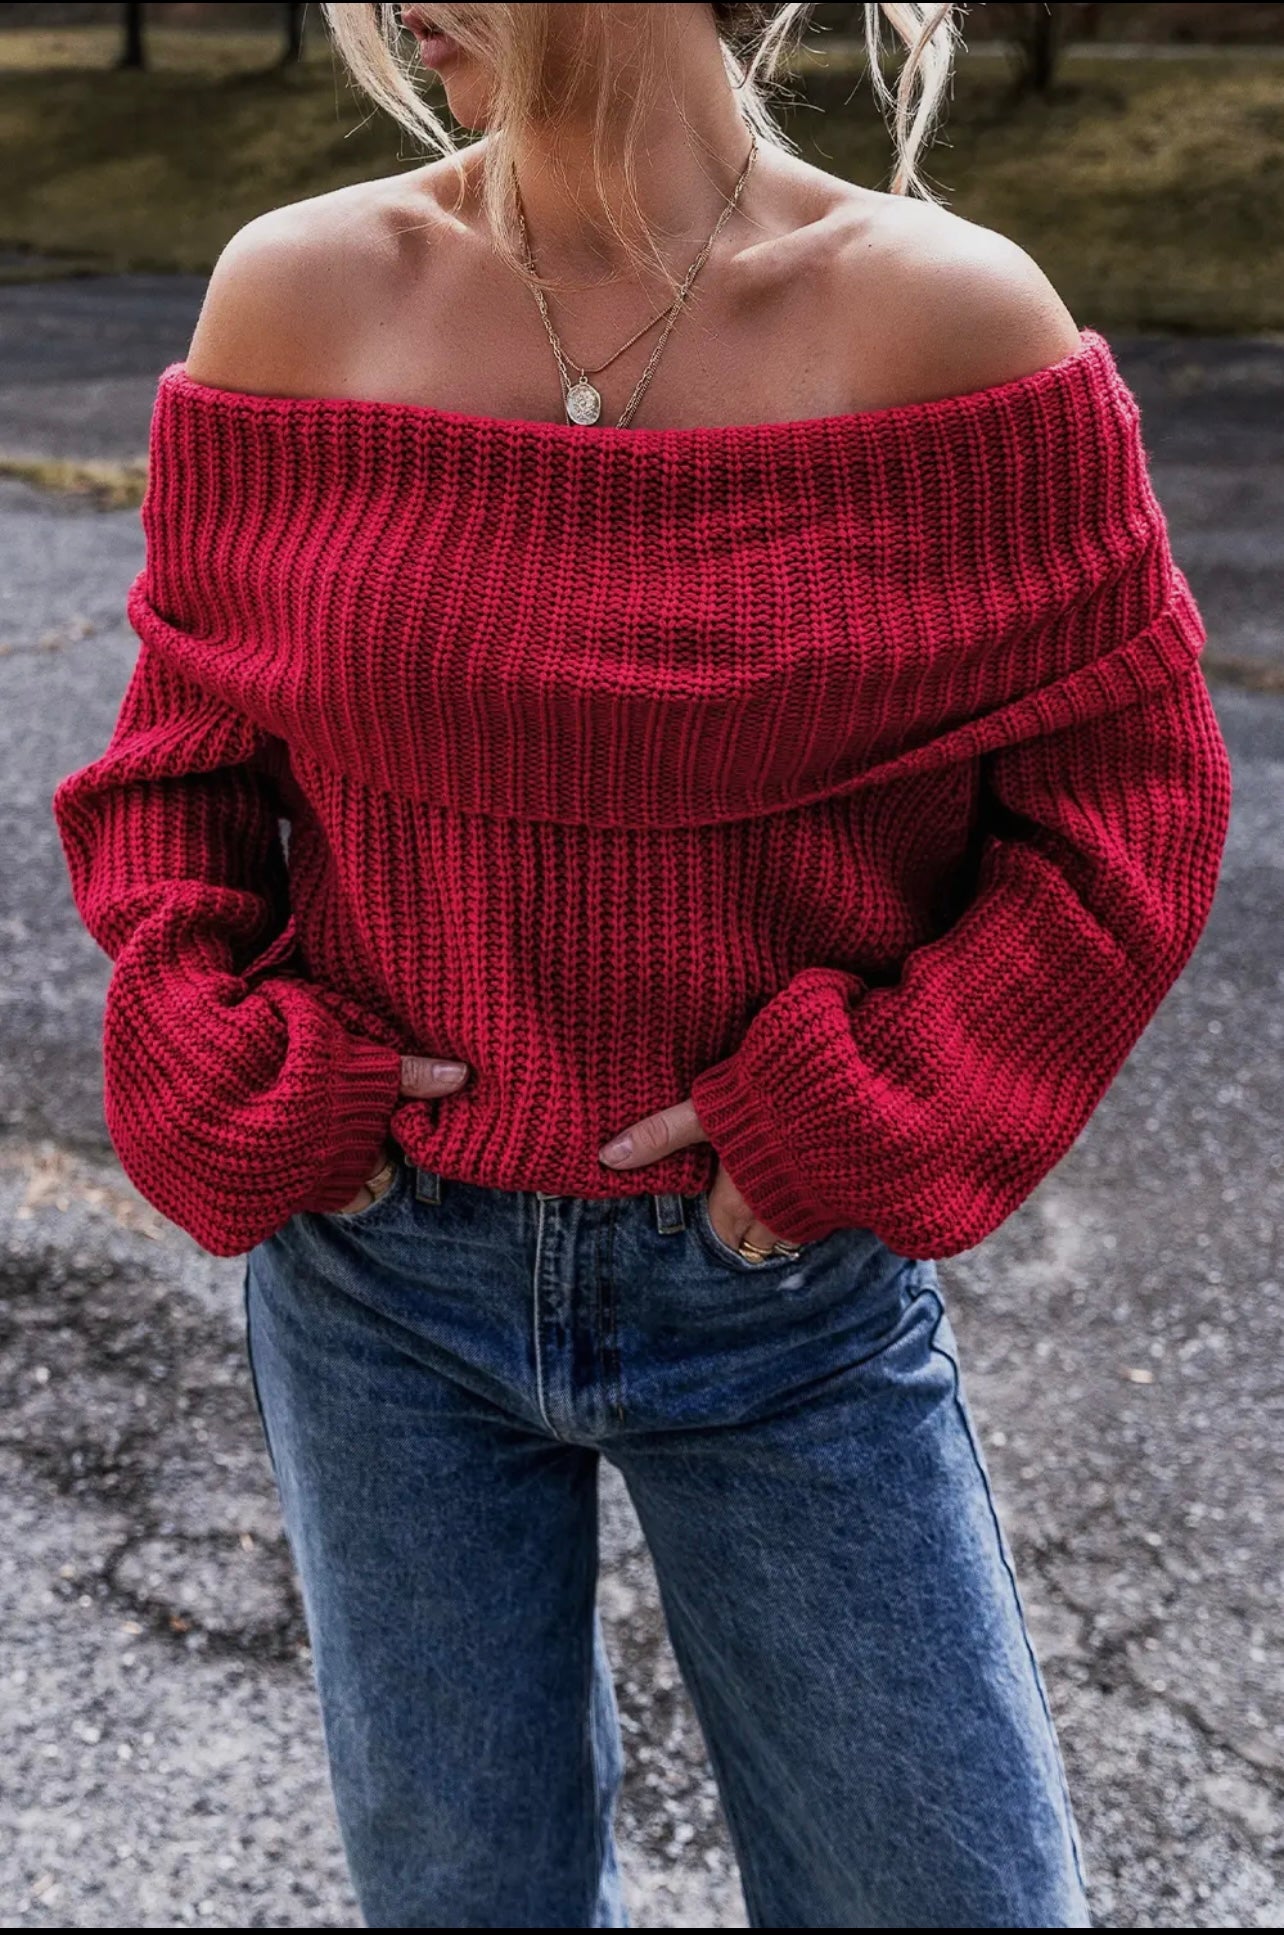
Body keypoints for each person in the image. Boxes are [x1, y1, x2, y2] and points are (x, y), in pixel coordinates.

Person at [51, 3, 1232, 1925]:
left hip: (781, 1302)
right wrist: (223, 1058)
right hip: (377, 1288)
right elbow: (182, 761)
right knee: (464, 1900)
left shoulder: (949, 324)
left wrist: (873, 1112)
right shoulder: (299, 294)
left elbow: (1131, 807)